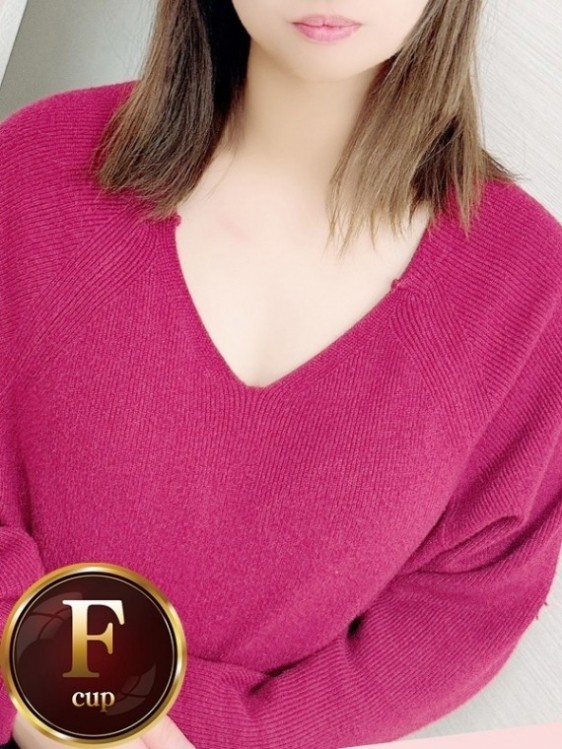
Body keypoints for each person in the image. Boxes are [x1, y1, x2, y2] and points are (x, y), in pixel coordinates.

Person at [1, 1, 561, 748]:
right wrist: (45, 686)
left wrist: (207, 727)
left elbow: (465, 607)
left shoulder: (527, 290)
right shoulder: (36, 165)